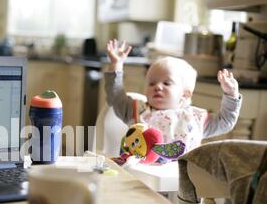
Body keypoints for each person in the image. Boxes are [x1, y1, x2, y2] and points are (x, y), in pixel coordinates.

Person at [104, 39, 242, 154]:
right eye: (152, 83)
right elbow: (115, 97)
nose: (158, 87)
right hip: (140, 176)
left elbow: (225, 122)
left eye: (166, 83)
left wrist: (231, 94)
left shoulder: (194, 118)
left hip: (180, 180)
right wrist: (116, 64)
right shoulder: (137, 111)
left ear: (185, 94)